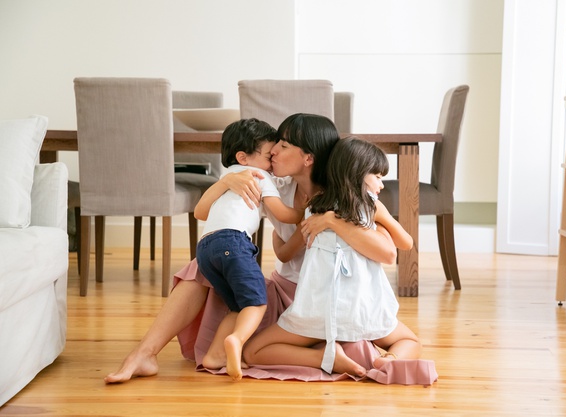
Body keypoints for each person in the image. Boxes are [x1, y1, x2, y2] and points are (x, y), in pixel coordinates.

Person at [104, 114, 415, 384]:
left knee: (390, 340)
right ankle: (144, 353)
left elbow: (389, 251)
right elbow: (276, 248)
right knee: (202, 264)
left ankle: (321, 351)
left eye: (283, 145)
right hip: (283, 296)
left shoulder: (348, 194)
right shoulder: (273, 187)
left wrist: (330, 221)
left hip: (333, 297)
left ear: (308, 157)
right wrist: (227, 182)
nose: (274, 150)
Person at [242, 137, 421, 376]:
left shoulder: (312, 208)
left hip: (314, 312)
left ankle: (323, 358)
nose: (381, 184)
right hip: (362, 311)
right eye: (378, 176)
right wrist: (381, 223)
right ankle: (389, 360)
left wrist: (278, 233)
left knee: (253, 351)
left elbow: (284, 254)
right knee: (410, 341)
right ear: (359, 173)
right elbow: (405, 244)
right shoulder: (371, 207)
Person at [194, 118, 304, 381]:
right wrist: (307, 210)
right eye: (268, 155)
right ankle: (237, 340)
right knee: (256, 302)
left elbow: (199, 212)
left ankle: (214, 356)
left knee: (238, 306)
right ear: (243, 157)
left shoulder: (228, 176)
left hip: (206, 249)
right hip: (234, 243)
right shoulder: (258, 175)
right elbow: (283, 214)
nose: (273, 160)